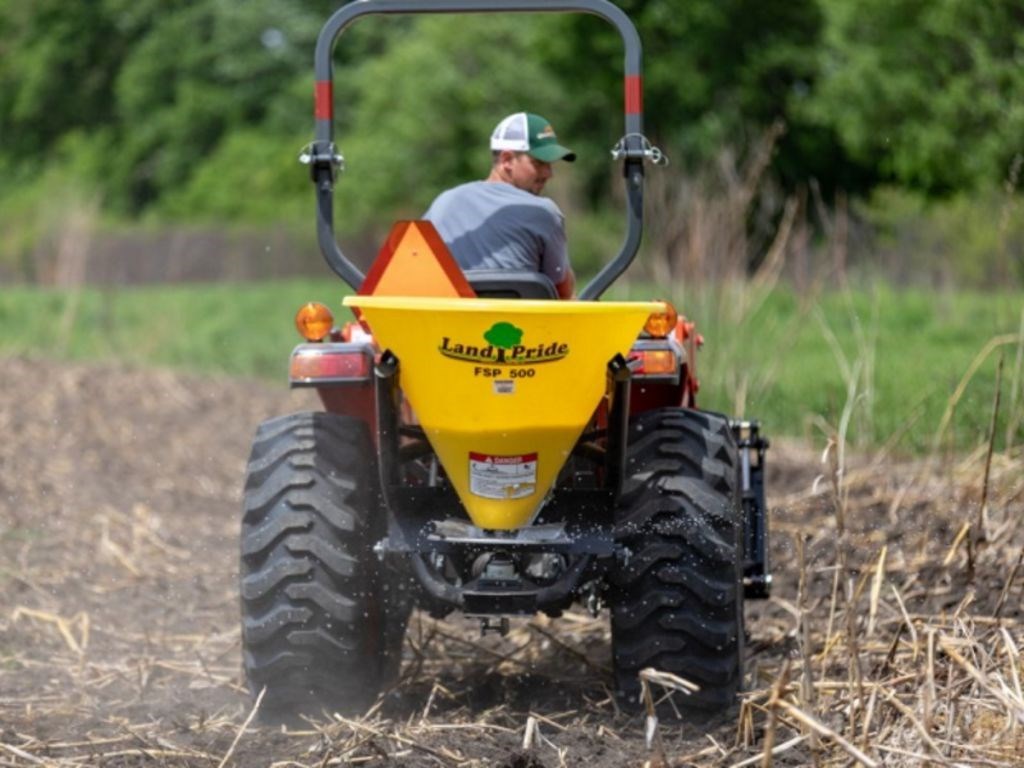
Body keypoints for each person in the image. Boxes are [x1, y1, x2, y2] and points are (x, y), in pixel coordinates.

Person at [424, 112, 577, 299]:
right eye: (538, 163)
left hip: (452, 325)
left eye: (549, 165)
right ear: (507, 160)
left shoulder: (444, 202)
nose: (548, 173)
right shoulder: (543, 211)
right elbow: (563, 292)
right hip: (522, 326)